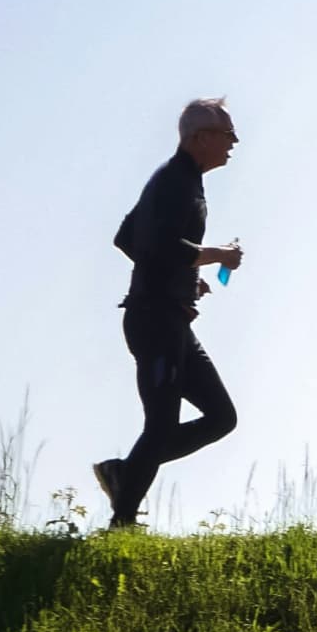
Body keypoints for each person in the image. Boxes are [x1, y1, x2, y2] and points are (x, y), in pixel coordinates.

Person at [94, 97, 245, 529]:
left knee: (220, 417)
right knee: (161, 425)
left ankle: (123, 474)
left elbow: (129, 238)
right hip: (154, 320)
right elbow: (151, 244)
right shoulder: (174, 182)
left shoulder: (184, 181)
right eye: (228, 134)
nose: (234, 143)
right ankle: (122, 519)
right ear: (200, 138)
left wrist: (181, 278)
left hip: (169, 317)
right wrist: (215, 257)